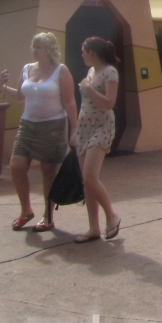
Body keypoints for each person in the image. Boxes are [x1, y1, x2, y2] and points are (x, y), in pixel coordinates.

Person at [0, 32, 77, 232]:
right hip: (27, 125)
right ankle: (26, 210)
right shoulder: (26, 69)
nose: (34, 51)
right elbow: (19, 96)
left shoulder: (61, 70)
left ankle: (48, 217)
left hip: (53, 127)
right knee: (16, 166)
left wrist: (75, 128)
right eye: (33, 47)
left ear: (49, 49)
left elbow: (69, 101)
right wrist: (2, 87)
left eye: (38, 47)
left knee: (48, 172)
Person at [72, 36, 122, 243]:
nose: (82, 55)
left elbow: (109, 102)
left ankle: (111, 216)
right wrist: (76, 128)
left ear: (92, 52)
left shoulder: (110, 72)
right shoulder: (91, 72)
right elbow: (85, 105)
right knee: (86, 181)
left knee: (90, 176)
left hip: (102, 127)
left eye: (84, 51)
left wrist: (90, 89)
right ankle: (94, 227)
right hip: (85, 128)